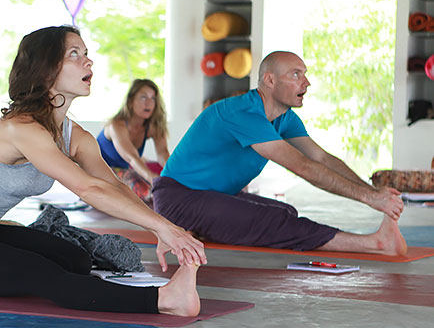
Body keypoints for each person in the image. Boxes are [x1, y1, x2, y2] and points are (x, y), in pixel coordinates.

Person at [0, 25, 207, 317]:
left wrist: (160, 228)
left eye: (86, 53)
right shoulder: (20, 129)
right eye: (74, 54)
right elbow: (89, 189)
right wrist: (166, 228)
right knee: (43, 273)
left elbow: (113, 186)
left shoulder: (74, 136)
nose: (88, 61)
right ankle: (165, 300)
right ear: (46, 69)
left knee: (75, 259)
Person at [152, 50, 407, 256]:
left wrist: (373, 193)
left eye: (305, 74)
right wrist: (370, 199)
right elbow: (303, 166)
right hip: (178, 199)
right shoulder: (242, 113)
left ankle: (203, 229)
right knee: (272, 221)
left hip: (215, 196)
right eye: (296, 74)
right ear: (270, 80)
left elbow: (320, 158)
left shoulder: (285, 118)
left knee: (287, 212)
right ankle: (376, 244)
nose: (306, 82)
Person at [96, 79, 170, 205]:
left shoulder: (153, 127)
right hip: (100, 171)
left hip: (125, 171)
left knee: (166, 186)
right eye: (143, 97)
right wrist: (154, 179)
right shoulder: (117, 125)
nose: (148, 103)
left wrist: (176, 176)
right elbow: (132, 158)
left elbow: (163, 154)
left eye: (153, 98)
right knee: (149, 191)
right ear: (131, 101)